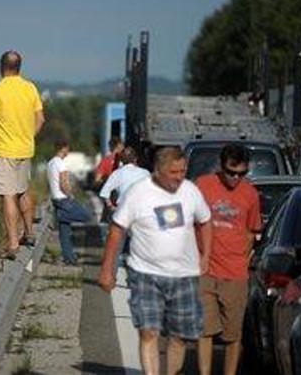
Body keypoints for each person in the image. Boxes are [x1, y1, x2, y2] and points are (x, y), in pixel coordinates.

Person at [98, 147, 212, 375]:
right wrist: (107, 269)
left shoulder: (190, 191)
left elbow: (206, 221)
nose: (179, 176)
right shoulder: (139, 193)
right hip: (145, 274)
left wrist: (205, 255)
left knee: (178, 336)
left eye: (183, 171)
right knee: (148, 332)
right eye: (173, 172)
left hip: (183, 275)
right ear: (158, 171)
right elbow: (117, 231)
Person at [0, 50, 45, 260]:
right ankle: (29, 233)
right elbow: (40, 119)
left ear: (1, 67)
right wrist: (28, 137)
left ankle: (13, 243)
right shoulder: (30, 88)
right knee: (22, 191)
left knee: (8, 195)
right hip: (25, 149)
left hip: (4, 151)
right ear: (19, 67)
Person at [194, 144, 261, 375]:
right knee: (205, 330)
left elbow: (252, 230)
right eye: (231, 172)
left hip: (235, 274)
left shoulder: (250, 194)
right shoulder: (202, 185)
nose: (235, 178)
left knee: (233, 334)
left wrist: (241, 257)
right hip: (205, 270)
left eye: (241, 174)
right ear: (221, 166)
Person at [47, 139, 91, 265]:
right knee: (86, 215)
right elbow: (63, 183)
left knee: (64, 232)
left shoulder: (50, 163)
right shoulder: (61, 164)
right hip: (63, 199)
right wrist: (70, 194)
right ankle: (60, 216)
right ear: (63, 148)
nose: (68, 151)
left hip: (55, 199)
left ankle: (69, 258)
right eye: (68, 149)